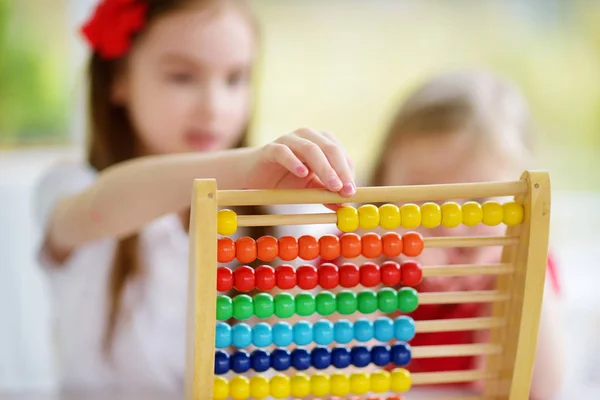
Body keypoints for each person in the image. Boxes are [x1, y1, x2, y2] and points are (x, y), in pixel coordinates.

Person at [34, 0, 355, 390]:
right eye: (182, 77)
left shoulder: (279, 211)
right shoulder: (70, 186)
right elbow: (103, 208)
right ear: (118, 78)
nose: (214, 108)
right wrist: (240, 168)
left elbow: (332, 308)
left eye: (235, 78)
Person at [368, 70, 564, 399]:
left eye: (478, 202)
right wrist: (369, 253)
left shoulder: (526, 265)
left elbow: (545, 389)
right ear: (382, 189)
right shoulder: (358, 254)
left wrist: (513, 267)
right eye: (424, 200)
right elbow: (332, 363)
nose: (452, 225)